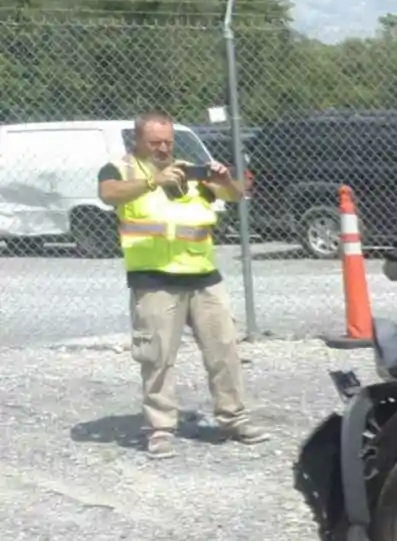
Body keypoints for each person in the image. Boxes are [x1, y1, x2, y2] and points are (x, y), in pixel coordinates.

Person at [97, 112, 269, 458]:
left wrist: (224, 179)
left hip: (203, 276)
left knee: (224, 350)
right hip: (154, 277)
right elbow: (108, 194)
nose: (162, 149)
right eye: (154, 143)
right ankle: (160, 428)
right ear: (137, 140)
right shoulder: (121, 169)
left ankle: (233, 417)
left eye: (167, 143)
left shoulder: (191, 169)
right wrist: (153, 182)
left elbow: (235, 196)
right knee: (157, 356)